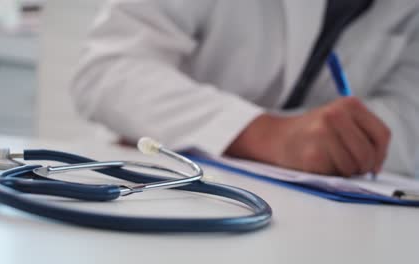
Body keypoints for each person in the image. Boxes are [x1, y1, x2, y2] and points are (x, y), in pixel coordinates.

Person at [71, 0, 419, 177]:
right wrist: (265, 135)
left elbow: (407, 128)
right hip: (166, 190)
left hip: (328, 221)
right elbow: (108, 71)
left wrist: (299, 140)